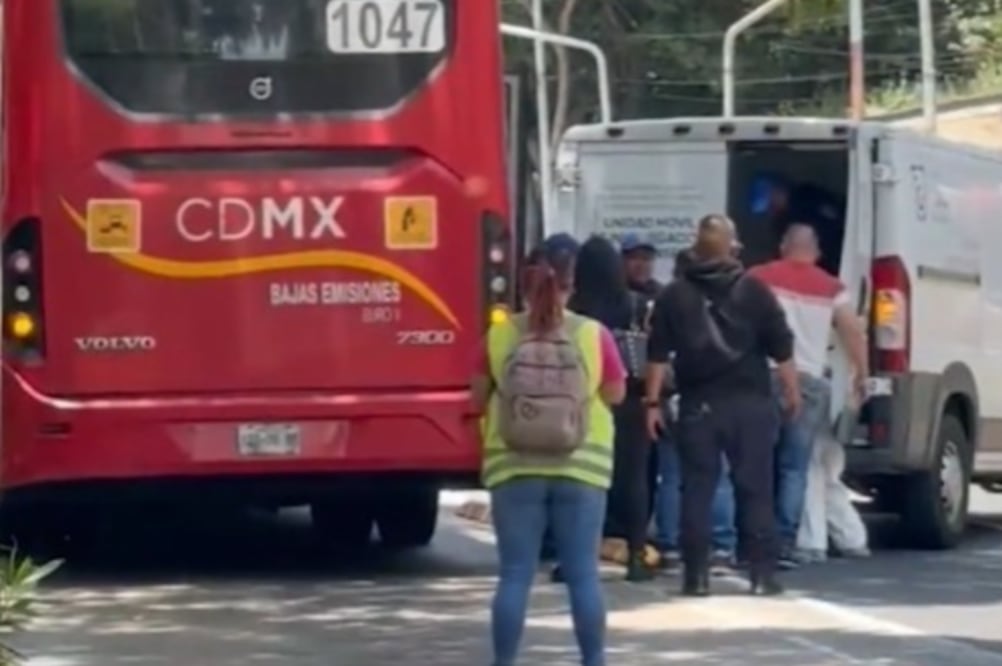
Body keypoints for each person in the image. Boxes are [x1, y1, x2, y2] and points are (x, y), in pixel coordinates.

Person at [472, 239, 626, 666]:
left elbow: (478, 395)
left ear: (524, 285)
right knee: (582, 576)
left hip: (514, 466)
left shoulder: (499, 335)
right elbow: (614, 393)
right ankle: (593, 661)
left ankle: (504, 662)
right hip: (582, 466)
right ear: (572, 284)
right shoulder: (593, 335)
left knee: (515, 575)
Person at [644, 214, 800, 597]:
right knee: (755, 489)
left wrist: (652, 403)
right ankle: (762, 575)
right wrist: (792, 391)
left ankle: (695, 576)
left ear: (696, 247)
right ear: (732, 246)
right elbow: (782, 348)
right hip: (750, 403)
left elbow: (657, 355)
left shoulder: (674, 294)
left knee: (696, 488)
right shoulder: (756, 291)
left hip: (699, 405)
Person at [748, 224, 869, 567]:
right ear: (815, 251)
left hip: (765, 377)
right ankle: (787, 542)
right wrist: (862, 372)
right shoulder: (832, 287)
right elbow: (852, 331)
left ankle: (757, 537)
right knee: (796, 466)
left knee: (759, 462)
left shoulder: (759, 276)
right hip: (811, 382)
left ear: (784, 246)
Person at [568, 235, 654, 582]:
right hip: (630, 400)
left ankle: (575, 557)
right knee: (634, 480)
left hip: (584, 403)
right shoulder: (634, 304)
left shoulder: (575, 310)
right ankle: (636, 553)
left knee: (583, 484)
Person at [654, 248, 737, 574]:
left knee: (672, 477)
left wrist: (653, 400)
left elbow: (656, 355)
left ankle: (672, 546)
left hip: (678, 398)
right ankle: (721, 547)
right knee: (719, 476)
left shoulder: (666, 304)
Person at [749, 174, 845, 277]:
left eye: (772, 203)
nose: (772, 210)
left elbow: (837, 217)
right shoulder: (780, 223)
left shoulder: (809, 197)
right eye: (768, 209)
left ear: (778, 189)